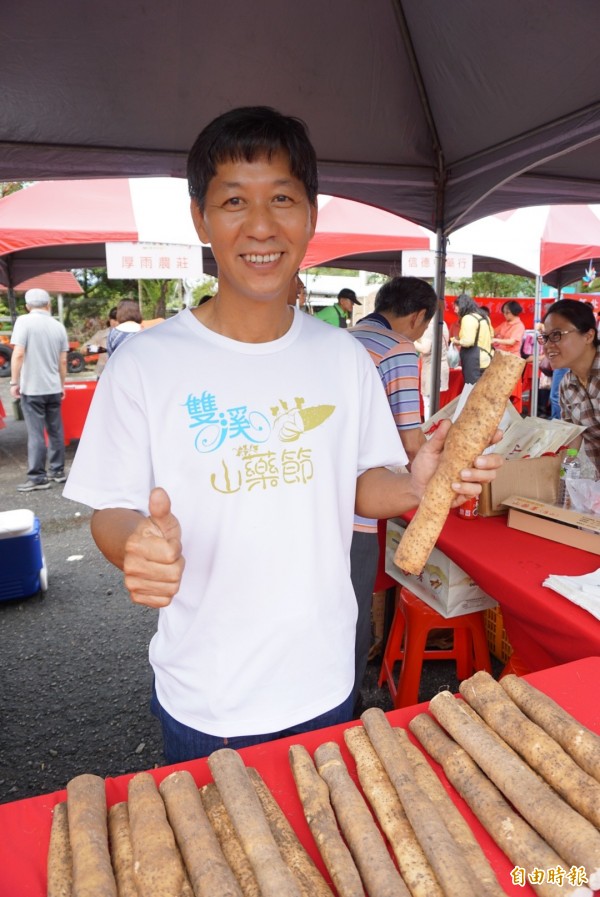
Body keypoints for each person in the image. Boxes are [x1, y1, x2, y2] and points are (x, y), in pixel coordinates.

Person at [63, 105, 500, 764]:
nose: (261, 225)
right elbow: (111, 509)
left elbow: (361, 484)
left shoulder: (343, 357)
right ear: (200, 217)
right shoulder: (146, 364)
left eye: (283, 199)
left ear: (311, 215)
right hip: (208, 696)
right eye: (234, 199)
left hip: (324, 681)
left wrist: (415, 483)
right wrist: (136, 545)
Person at [348, 275, 438, 707]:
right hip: (364, 502)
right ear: (419, 317)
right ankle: (344, 706)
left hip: (318, 496)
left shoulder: (341, 340)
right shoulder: (400, 351)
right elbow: (409, 440)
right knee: (351, 607)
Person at [9, 288, 69, 491]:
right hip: (53, 387)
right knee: (55, 431)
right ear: (48, 304)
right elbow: (63, 361)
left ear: (27, 306)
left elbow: (18, 354)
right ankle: (58, 471)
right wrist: (61, 385)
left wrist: (14, 382)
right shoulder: (58, 326)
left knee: (36, 433)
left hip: (32, 388)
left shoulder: (24, 322)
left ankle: (37, 477)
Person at [541, 299, 600, 476]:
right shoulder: (567, 385)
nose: (548, 345)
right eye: (545, 337)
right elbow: (574, 436)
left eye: (557, 335)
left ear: (588, 336)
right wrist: (566, 475)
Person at [414, 310, 450, 421]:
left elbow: (425, 349)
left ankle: (429, 427)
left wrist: (411, 340)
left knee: (428, 402)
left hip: (431, 369)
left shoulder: (430, 327)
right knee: (435, 402)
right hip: (442, 366)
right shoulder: (443, 324)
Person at [451, 293, 494, 384]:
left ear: (462, 305)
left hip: (475, 361)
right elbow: (491, 335)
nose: (455, 310)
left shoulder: (468, 318)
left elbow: (468, 342)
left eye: (456, 307)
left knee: (472, 389)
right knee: (483, 388)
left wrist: (457, 341)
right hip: (487, 358)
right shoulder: (484, 317)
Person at [492, 300, 526, 411]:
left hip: (512, 361)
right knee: (500, 388)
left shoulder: (519, 326)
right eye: (504, 312)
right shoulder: (504, 323)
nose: (505, 314)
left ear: (514, 312)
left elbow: (512, 342)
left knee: (509, 389)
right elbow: (493, 331)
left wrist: (496, 340)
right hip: (501, 359)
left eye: (507, 312)